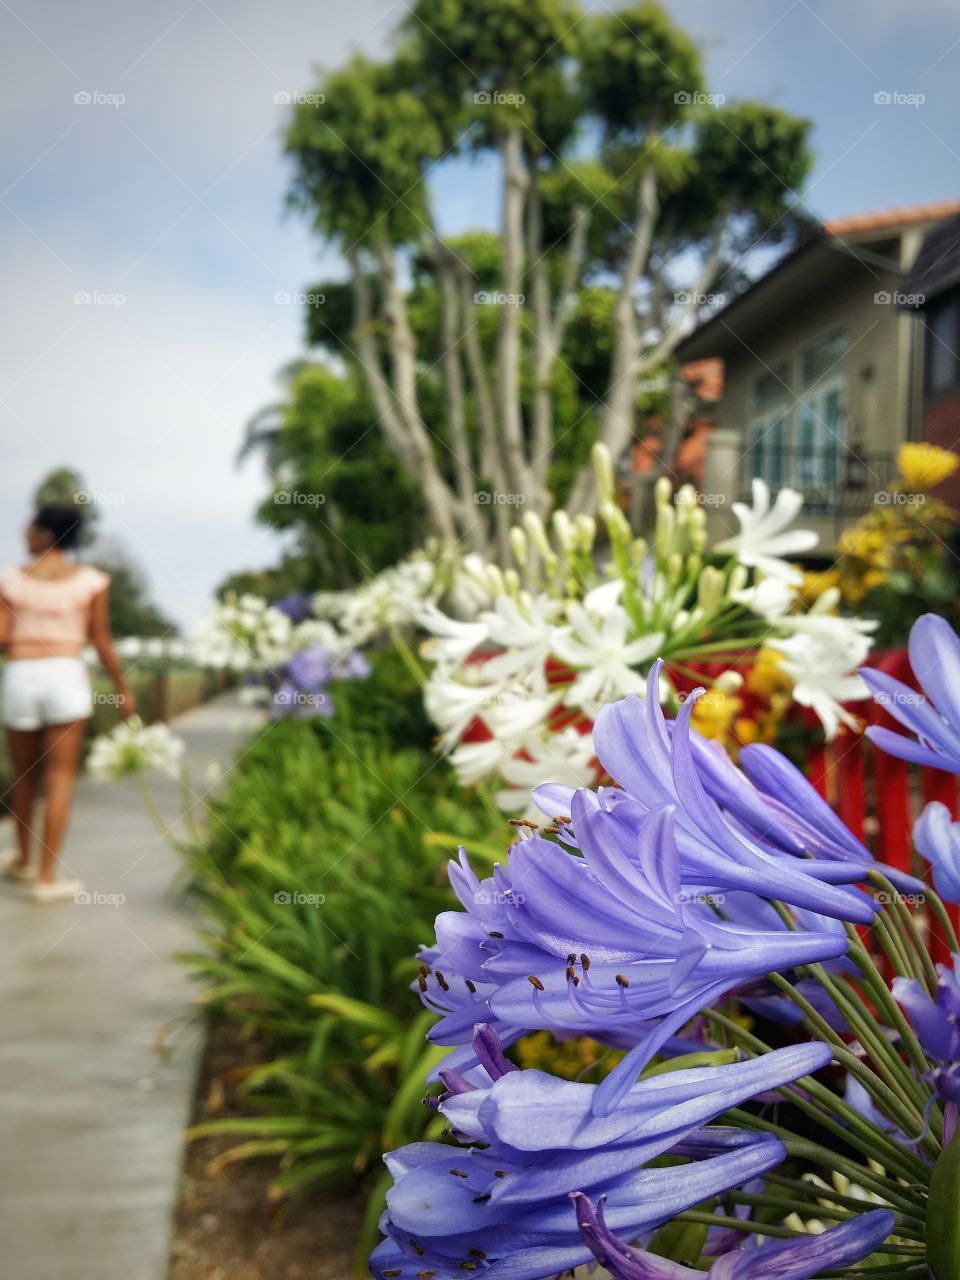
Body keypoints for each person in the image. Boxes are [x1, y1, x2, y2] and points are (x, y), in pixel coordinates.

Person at [0, 505, 136, 903]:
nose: (25, 533)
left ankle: (24, 863)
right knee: (61, 778)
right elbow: (102, 640)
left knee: (25, 776)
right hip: (66, 673)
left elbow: (2, 638)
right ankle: (46, 877)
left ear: (45, 535)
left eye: (32, 527)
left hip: (21, 675)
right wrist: (122, 687)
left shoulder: (10, 580)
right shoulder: (90, 582)